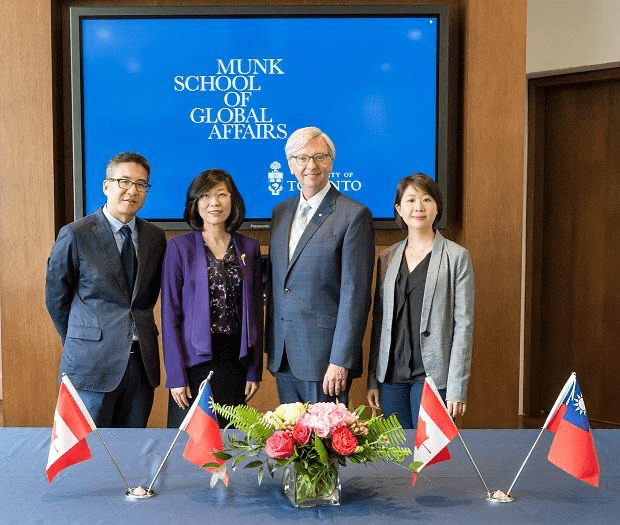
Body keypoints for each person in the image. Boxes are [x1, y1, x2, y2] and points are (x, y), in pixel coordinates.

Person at [45, 152, 167, 427]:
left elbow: (147, 297)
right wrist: (82, 337)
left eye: (141, 184)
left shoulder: (155, 237)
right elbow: (56, 298)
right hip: (90, 364)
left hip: (140, 365)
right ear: (106, 186)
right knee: (88, 454)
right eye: (124, 181)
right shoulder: (76, 234)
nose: (132, 190)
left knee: (131, 453)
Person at [267, 126, 375, 404]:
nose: (311, 166)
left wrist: (341, 359)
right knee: (289, 442)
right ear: (291, 165)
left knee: (325, 445)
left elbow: (356, 295)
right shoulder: (280, 213)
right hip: (284, 354)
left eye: (319, 156)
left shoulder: (353, 215)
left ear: (331, 162)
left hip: (326, 360)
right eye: (302, 158)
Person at [367, 173, 475, 428]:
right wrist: (373, 379)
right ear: (399, 209)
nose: (419, 207)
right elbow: (380, 322)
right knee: (399, 457)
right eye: (411, 200)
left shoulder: (456, 257)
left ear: (437, 207)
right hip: (391, 376)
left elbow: (464, 326)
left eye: (427, 199)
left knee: (430, 460)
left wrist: (457, 387)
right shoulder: (387, 257)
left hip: (433, 377)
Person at [161, 169, 263, 428]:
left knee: (230, 445)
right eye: (205, 196)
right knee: (191, 445)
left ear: (233, 200)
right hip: (193, 362)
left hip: (235, 362)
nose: (214, 202)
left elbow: (255, 315)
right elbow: (170, 316)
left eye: (221, 195)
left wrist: (254, 369)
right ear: (195, 203)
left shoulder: (248, 248)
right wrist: (175, 376)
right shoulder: (179, 248)